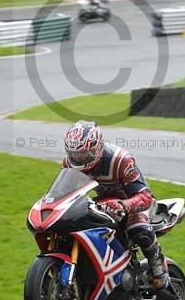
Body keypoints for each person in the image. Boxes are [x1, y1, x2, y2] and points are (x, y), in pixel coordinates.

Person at [63, 120, 169, 289]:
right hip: (104, 204)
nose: (78, 158)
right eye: (74, 154)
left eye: (83, 154)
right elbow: (65, 193)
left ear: (97, 149)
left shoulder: (120, 160)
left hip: (134, 203)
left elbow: (145, 196)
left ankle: (159, 268)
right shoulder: (70, 163)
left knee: (138, 228)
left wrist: (123, 205)